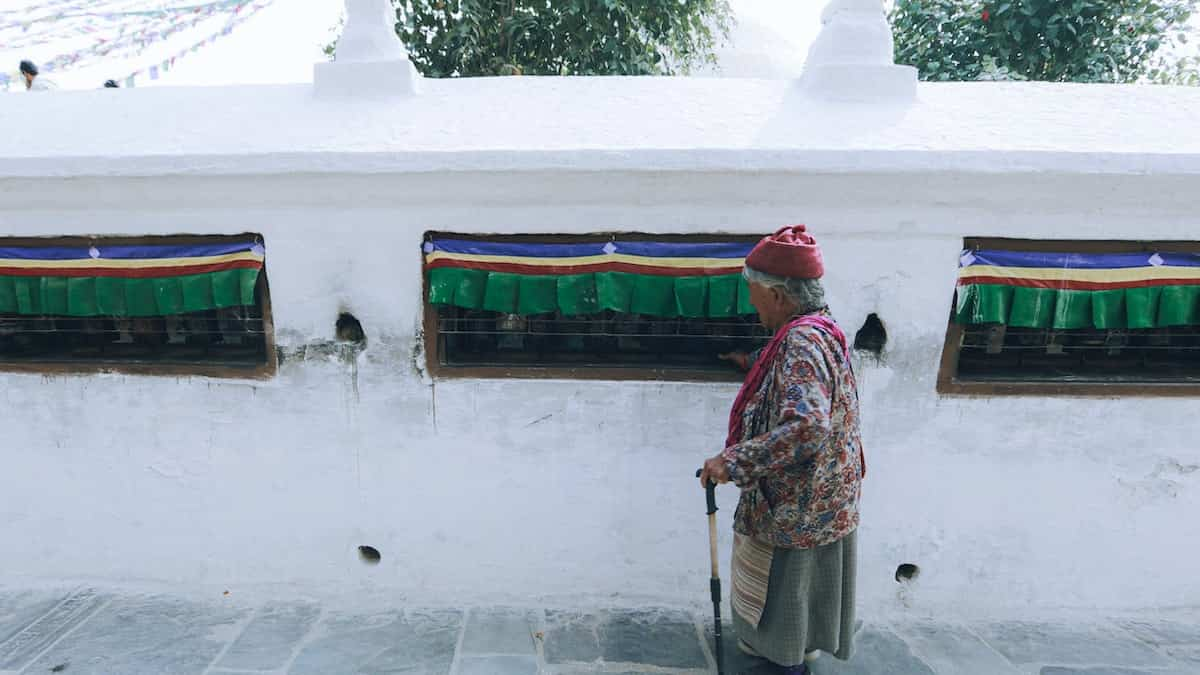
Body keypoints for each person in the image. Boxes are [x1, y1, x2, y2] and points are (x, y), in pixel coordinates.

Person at [700, 225, 865, 675]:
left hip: (796, 506)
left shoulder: (800, 343)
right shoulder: (820, 330)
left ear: (777, 295)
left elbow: (807, 425)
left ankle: (783, 666)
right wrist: (756, 365)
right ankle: (793, 658)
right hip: (823, 499)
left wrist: (731, 463)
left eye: (753, 292)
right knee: (800, 603)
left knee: (783, 608)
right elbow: (807, 389)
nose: (751, 303)